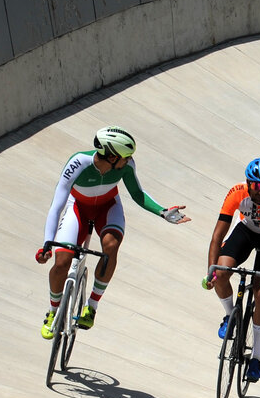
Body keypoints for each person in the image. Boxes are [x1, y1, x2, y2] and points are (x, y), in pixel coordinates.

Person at [36, 126, 189, 337]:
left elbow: (138, 193)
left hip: (108, 207)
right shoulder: (79, 162)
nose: (129, 160)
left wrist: (162, 212)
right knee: (62, 262)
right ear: (112, 156)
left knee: (111, 246)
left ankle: (92, 306)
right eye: (126, 156)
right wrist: (47, 243)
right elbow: (57, 205)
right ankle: (53, 311)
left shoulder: (126, 166)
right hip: (78, 208)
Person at [206, 157, 260, 382]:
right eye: (256, 185)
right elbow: (217, 235)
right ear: (248, 183)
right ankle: (230, 316)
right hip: (245, 232)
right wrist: (211, 270)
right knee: (221, 273)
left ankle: (256, 358)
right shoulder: (237, 193)